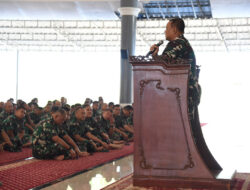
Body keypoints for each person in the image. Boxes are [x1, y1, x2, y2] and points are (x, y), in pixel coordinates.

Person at [150, 18, 201, 121]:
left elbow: (163, 65)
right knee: (185, 127)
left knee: (180, 127)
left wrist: (154, 56)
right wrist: (155, 56)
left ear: (174, 30)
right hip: (186, 91)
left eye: (167, 28)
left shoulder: (177, 43)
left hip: (182, 92)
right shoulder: (183, 42)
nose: (165, 31)